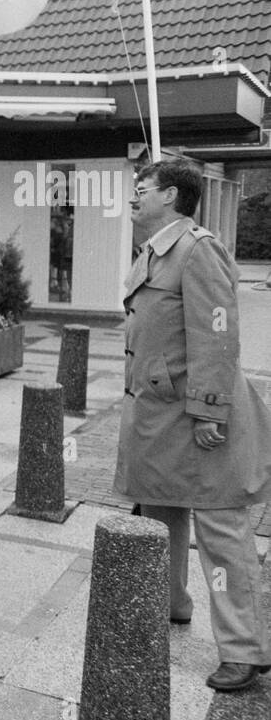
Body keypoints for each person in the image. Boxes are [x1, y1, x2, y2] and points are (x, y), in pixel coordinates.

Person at [116, 160, 271, 692]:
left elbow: (217, 335)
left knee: (220, 530)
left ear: (174, 197)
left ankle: (244, 648)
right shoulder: (157, 250)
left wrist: (210, 408)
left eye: (143, 188)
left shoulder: (198, 249)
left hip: (197, 415)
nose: (133, 195)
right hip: (159, 416)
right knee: (161, 515)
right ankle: (171, 604)